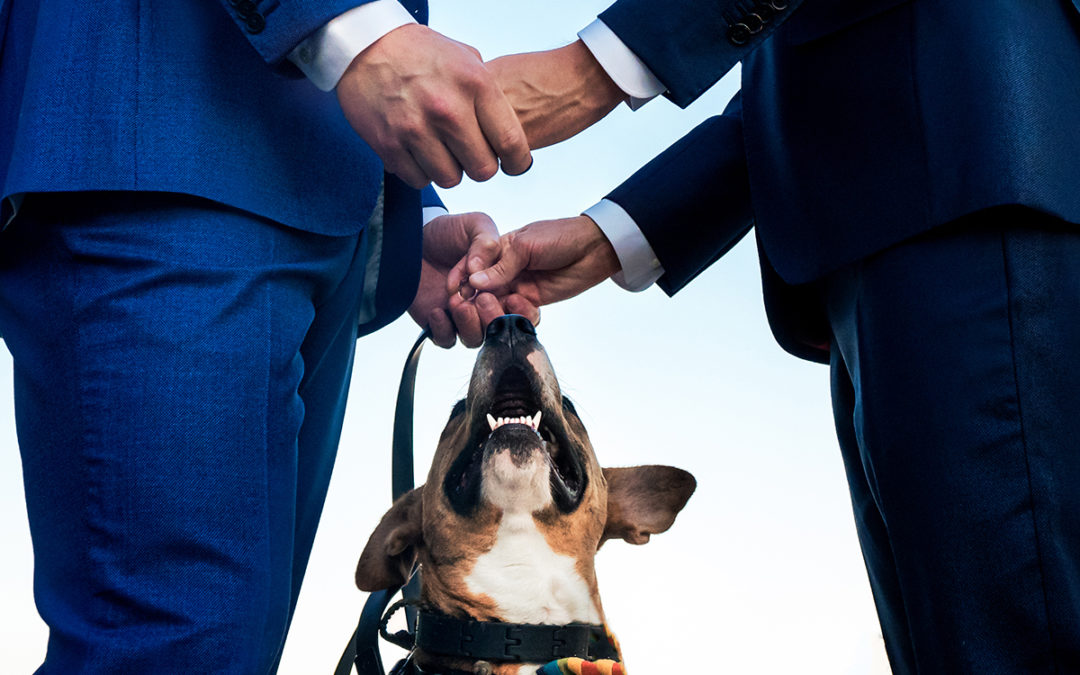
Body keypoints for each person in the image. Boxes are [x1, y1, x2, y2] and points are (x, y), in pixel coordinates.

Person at [454, 1, 1080, 672]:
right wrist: (610, 236)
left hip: (967, 169)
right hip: (909, 201)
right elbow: (787, 91)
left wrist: (594, 68)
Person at [0, 0, 540, 672]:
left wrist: (397, 216)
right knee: (178, 645)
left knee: (229, 649)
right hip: (153, 140)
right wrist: (351, 28)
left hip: (323, 207)